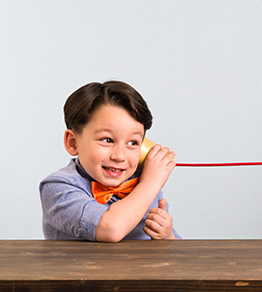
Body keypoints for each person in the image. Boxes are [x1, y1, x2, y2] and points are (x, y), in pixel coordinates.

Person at [40, 81, 180, 242]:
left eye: (133, 143)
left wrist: (167, 237)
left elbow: (175, 253)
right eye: (107, 140)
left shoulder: (144, 182)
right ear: (73, 142)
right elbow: (111, 229)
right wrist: (151, 183)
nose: (119, 156)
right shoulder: (57, 187)